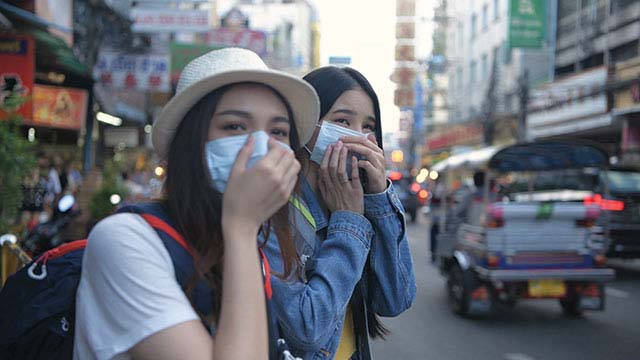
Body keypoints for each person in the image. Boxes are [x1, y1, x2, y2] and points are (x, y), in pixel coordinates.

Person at [73, 48, 320, 360]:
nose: (261, 146)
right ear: (191, 142)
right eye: (234, 126)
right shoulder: (124, 240)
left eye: (278, 132)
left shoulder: (238, 243)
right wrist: (242, 227)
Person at [263, 66, 416, 360]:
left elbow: (395, 299)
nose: (358, 137)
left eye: (368, 127)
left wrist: (378, 196)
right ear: (305, 124)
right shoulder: (273, 209)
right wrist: (349, 223)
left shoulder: (361, 199)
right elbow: (307, 330)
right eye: (342, 121)